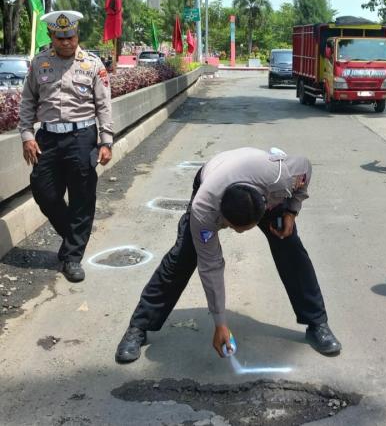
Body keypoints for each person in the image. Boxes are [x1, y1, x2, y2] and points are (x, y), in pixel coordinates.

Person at [115, 147, 342, 363]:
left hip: (258, 180)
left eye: (244, 229)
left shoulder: (280, 178)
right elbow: (211, 265)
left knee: (290, 249)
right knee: (181, 258)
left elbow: (305, 167)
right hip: (213, 178)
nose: (239, 234)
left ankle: (317, 323)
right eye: (233, 228)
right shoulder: (204, 210)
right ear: (223, 218)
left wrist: (292, 210)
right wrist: (220, 323)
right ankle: (139, 327)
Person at [18, 10, 113, 282]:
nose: (66, 43)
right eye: (60, 38)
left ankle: (72, 257)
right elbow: (27, 102)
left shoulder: (93, 65)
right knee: (43, 190)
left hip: (82, 137)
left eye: (70, 37)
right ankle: (73, 236)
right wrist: (27, 135)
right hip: (47, 138)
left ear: (77, 34)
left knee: (82, 197)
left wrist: (106, 141)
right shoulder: (39, 64)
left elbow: (103, 106)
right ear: (51, 36)